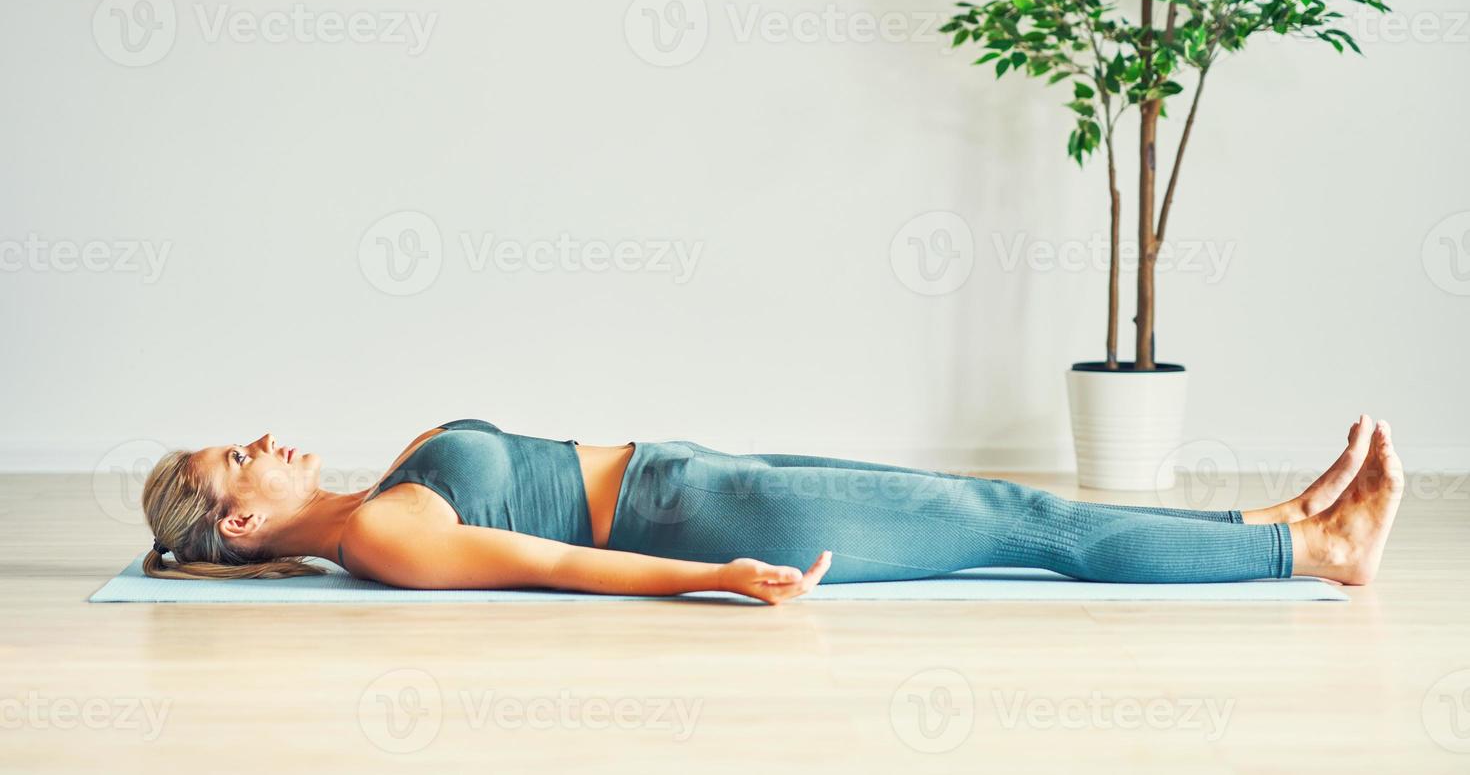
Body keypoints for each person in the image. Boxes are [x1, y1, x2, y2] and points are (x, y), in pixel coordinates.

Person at [140, 414, 1402, 604]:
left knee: (1004, 500)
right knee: (1023, 525)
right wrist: (716, 577)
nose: (259, 439)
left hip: (698, 470)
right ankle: (1319, 550)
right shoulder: (377, 534)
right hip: (699, 514)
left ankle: (1255, 525)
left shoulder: (376, 490)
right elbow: (550, 562)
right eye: (234, 459)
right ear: (239, 522)